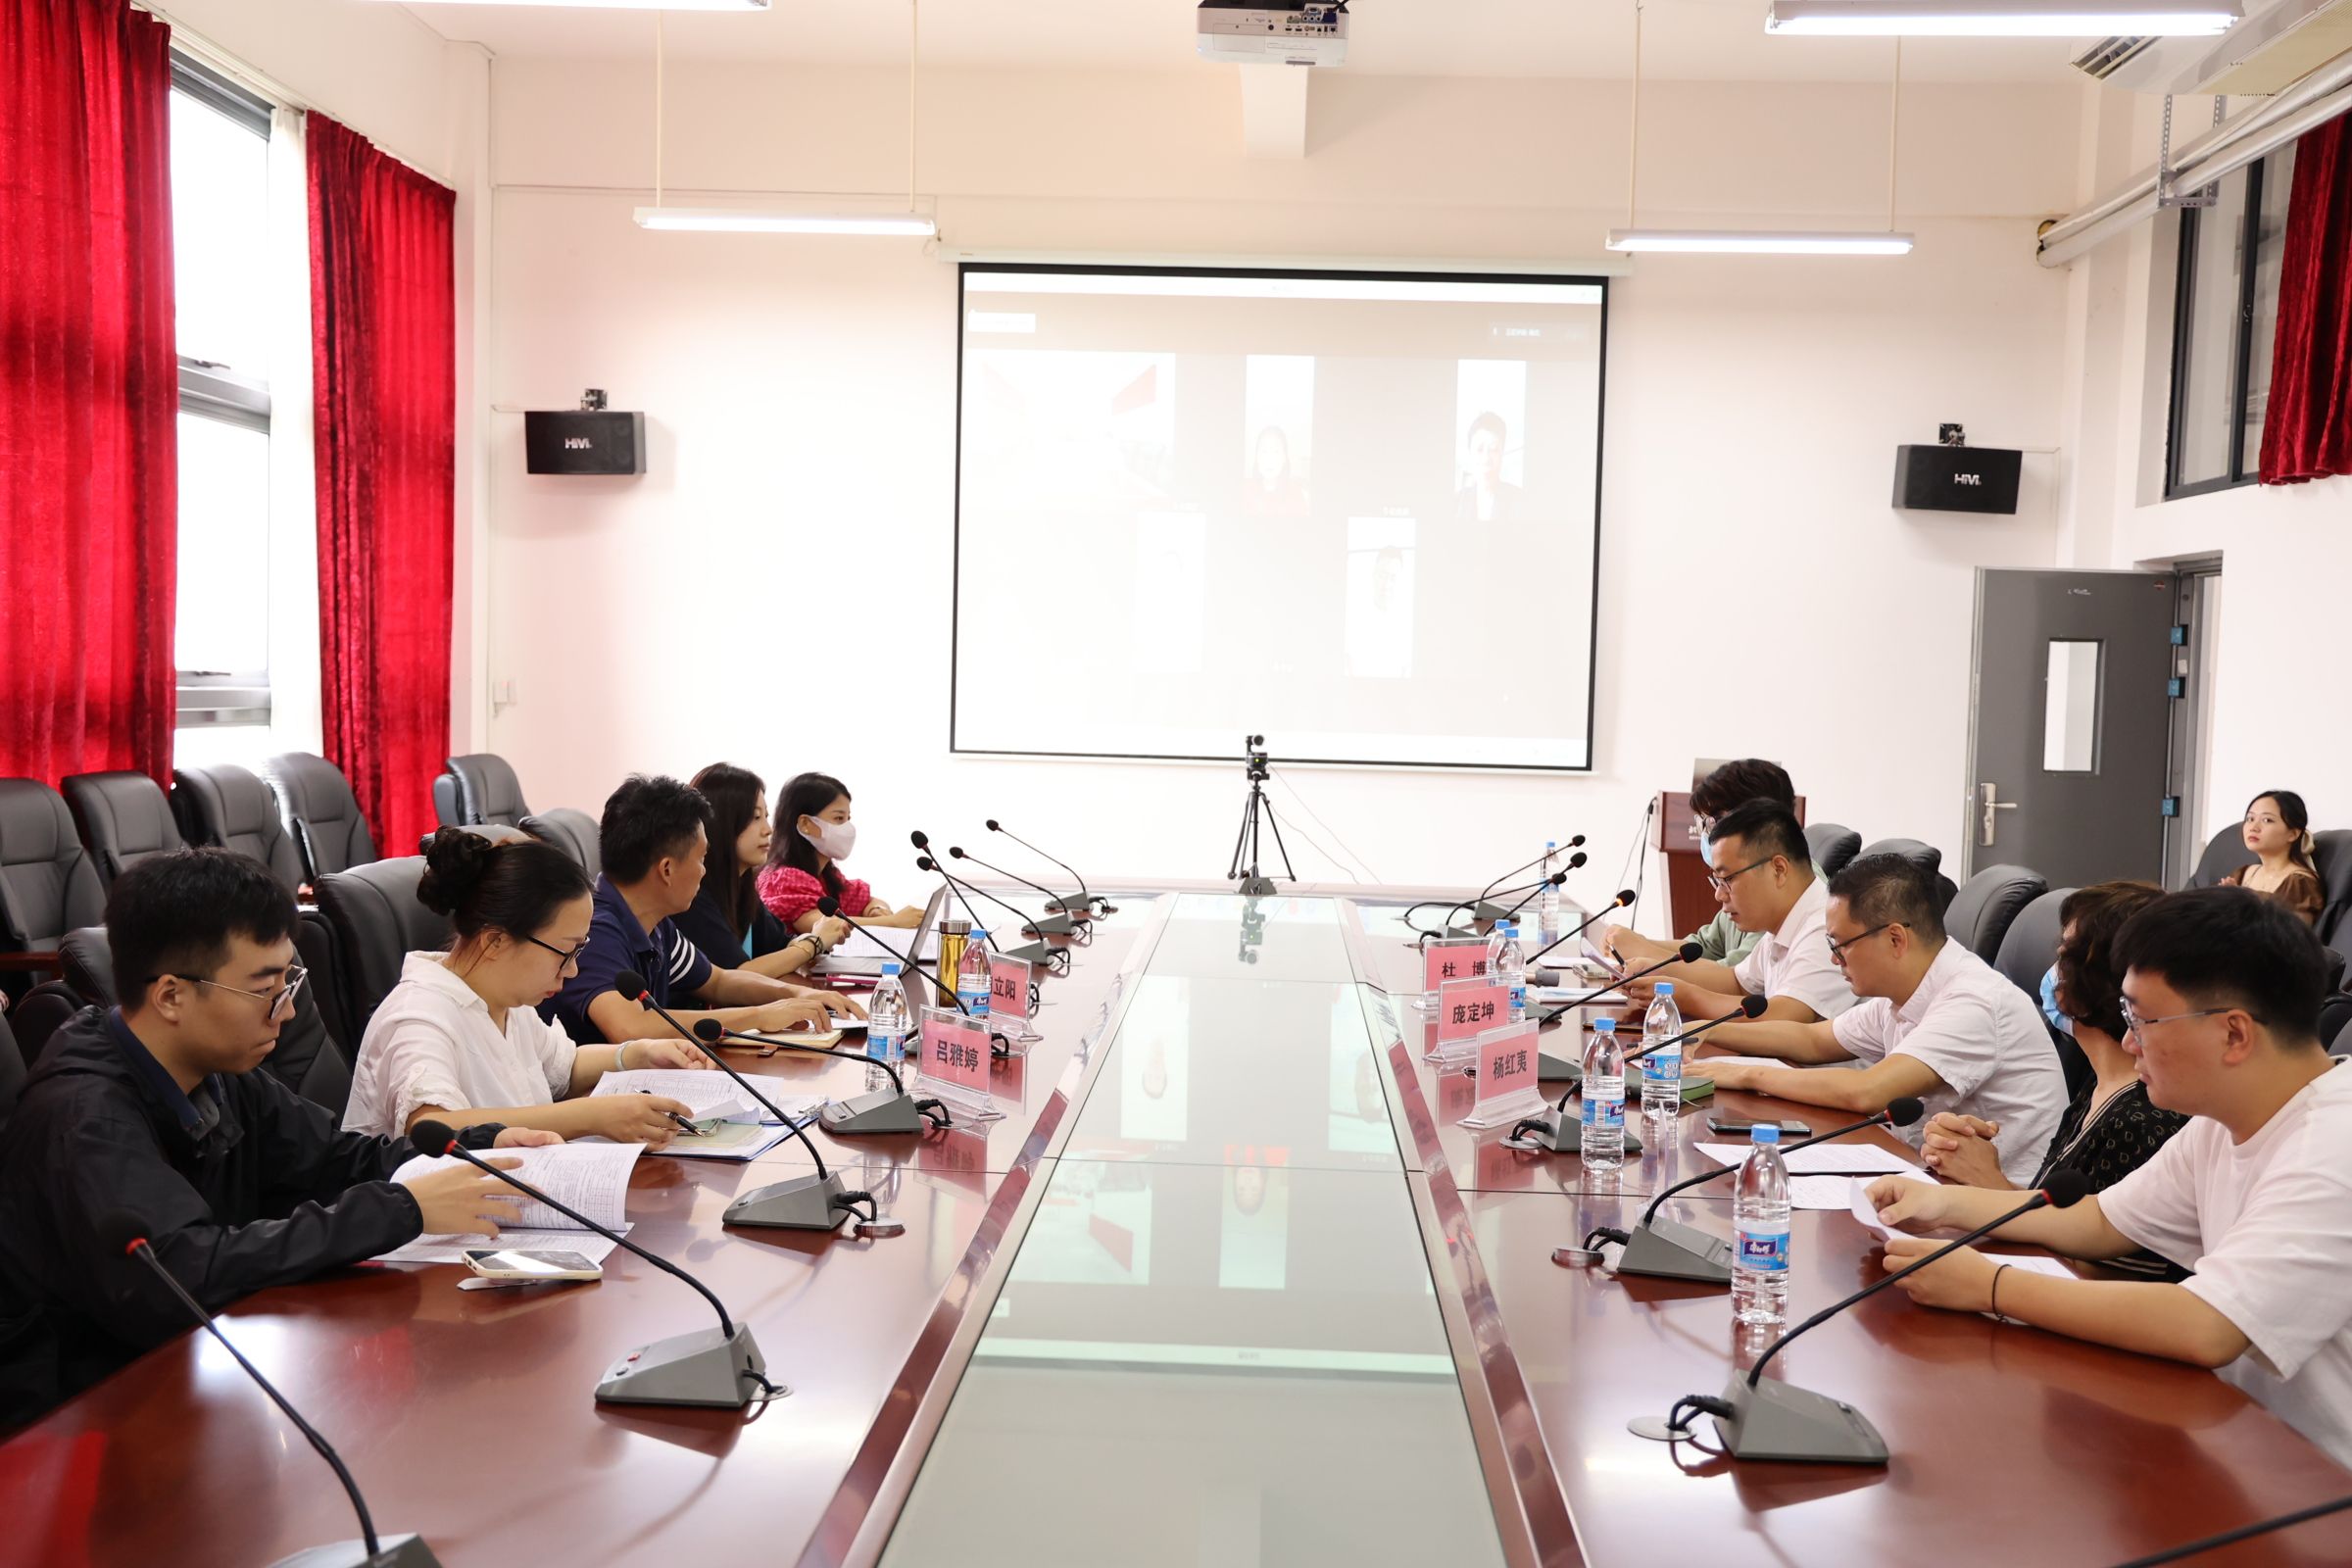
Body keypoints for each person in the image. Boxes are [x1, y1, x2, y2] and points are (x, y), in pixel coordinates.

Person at [0, 850, 554, 1429]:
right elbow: (182, 1276)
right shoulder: (84, 1118)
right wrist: (401, 1209)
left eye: (290, 981)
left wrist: (483, 1145)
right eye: (266, 988)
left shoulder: (214, 1070)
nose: (285, 1013)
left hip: (201, 1374)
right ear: (171, 996)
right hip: (81, 1418)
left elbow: (340, 1159)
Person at [1866, 888, 2352, 1470]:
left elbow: (2209, 1325)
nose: (2127, 1041)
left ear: (2234, 1034)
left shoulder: (2330, 1148)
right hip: (2235, 1439)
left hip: (2319, 1481)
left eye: (2142, 1020)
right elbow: (2100, 1220)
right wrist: (1939, 1203)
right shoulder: (2224, 1120)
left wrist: (1988, 1285)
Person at [1696, 855, 2066, 1182]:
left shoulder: (1972, 1001)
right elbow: (1812, 1040)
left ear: (1895, 940)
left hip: (2002, 1209)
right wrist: (1706, 1032)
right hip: (1934, 1180)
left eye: (1840, 945)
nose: (1834, 959)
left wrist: (1746, 1075)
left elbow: (1868, 1092)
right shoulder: (1906, 992)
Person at [343, 829, 714, 1148]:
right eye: (565, 952)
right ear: (495, 942)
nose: (573, 970)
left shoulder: (505, 999)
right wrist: (590, 1116)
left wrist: (639, 1054)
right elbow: (432, 1126)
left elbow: (564, 1066)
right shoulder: (418, 1017)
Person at [1919, 882, 2189, 1223]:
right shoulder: (2099, 1085)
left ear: (2101, 981)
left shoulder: (2143, 1120)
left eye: (2063, 955)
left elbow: (2087, 1248)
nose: (2052, 972)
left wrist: (1988, 1181)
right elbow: (2060, 1216)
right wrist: (1975, 1166)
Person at [545, 775, 858, 1049]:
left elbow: (718, 981)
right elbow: (630, 1027)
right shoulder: (596, 929)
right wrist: (760, 1016)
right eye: (701, 859)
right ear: (667, 869)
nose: (704, 871)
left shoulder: (655, 924)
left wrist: (795, 995)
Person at [1608, 800, 1854, 1027]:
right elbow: (1737, 982)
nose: (1719, 895)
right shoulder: (1786, 919)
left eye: (1727, 879)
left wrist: (1684, 996)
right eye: (1717, 881)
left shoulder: (1824, 927)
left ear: (1778, 870)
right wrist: (1656, 971)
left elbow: (1784, 1017)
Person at [1601, 759, 1813, 967]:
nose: (1706, 832)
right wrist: (1638, 943)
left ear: (1757, 815)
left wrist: (1643, 952)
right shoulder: (1740, 886)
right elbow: (1704, 947)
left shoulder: (1775, 891)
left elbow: (1730, 975)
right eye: (1702, 822)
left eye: (1714, 821)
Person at [678, 763, 845, 978]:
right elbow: (737, 976)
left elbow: (781, 945)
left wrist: (814, 941)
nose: (768, 829)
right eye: (756, 818)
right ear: (722, 821)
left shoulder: (742, 888)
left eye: (766, 816)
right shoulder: (692, 896)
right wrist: (814, 942)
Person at [759, 771, 923, 931]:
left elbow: (867, 900)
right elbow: (822, 925)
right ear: (805, 824)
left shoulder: (826, 875)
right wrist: (892, 922)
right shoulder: (786, 877)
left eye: (848, 818)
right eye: (838, 818)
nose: (848, 828)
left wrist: (876, 910)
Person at [2221, 790, 2323, 927]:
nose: (2253, 827)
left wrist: (2241, 899)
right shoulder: (2243, 873)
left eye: (2267, 820)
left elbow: (2293, 935)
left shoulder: (2300, 883)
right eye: (2250, 819)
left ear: (2293, 834)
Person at [1451, 411, 1522, 522]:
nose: (1486, 459)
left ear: (1502, 453)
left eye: (1494, 449)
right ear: (1470, 453)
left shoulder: (1520, 501)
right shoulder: (1456, 503)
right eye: (1479, 449)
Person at [1241, 425, 1309, 517]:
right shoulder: (1243, 490)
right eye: (1264, 451)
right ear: (1256, 457)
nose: (1269, 459)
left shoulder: (1296, 495)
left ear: (1284, 458)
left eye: (1276, 451)